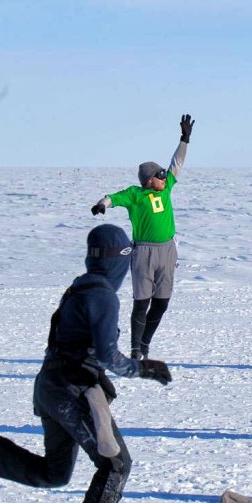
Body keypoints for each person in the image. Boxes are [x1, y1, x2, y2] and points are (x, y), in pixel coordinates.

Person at [0, 224, 172, 503]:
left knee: (55, 472)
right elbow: (109, 356)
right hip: (72, 390)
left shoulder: (81, 287)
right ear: (120, 260)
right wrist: (145, 368)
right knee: (116, 465)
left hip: (51, 388)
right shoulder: (102, 296)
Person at [91, 114, 194, 360]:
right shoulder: (136, 194)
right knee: (142, 301)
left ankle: (145, 343)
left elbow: (176, 164)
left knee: (162, 302)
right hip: (144, 253)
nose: (163, 176)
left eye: (162, 174)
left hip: (167, 250)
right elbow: (114, 198)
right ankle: (136, 349)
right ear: (149, 180)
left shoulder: (167, 186)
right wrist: (102, 203)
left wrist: (184, 140)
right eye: (159, 175)